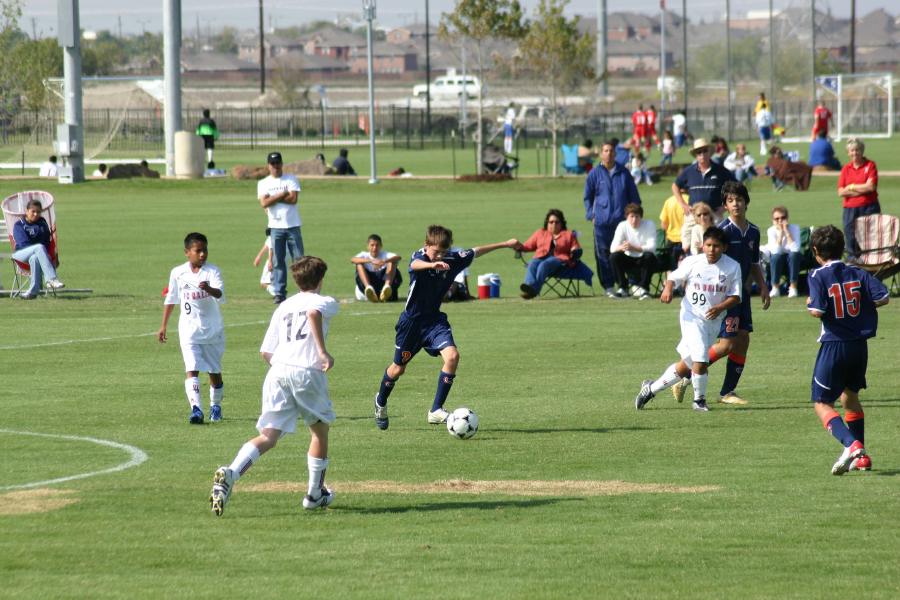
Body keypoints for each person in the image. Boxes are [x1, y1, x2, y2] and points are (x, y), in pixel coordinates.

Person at [208, 256, 339, 516]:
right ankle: (314, 495)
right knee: (319, 432)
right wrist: (322, 353)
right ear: (321, 279)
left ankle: (231, 474)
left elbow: (265, 352)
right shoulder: (324, 302)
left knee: (268, 436)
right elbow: (313, 314)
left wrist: (286, 371)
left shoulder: (283, 306)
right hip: (306, 371)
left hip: (278, 371)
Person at [371, 225, 518, 430]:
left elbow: (476, 251)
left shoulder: (452, 259)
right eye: (435, 251)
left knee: (452, 357)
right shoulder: (420, 257)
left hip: (434, 322)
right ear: (426, 245)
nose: (439, 255)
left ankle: (436, 410)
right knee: (398, 369)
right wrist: (433, 265)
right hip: (411, 324)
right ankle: (380, 402)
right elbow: (415, 265)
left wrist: (505, 244)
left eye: (443, 252)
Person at [675, 181, 770, 406]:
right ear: (725, 205)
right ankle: (684, 374)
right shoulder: (723, 232)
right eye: (730, 200)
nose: (735, 204)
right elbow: (703, 262)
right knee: (727, 344)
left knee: (743, 339)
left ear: (746, 202)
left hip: (742, 295)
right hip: (723, 298)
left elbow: (754, 262)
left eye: (739, 199)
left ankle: (728, 391)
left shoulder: (754, 231)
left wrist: (763, 286)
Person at [806, 226, 888, 475]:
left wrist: (811, 305)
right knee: (849, 397)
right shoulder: (857, 272)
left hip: (834, 344)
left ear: (816, 251)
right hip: (858, 347)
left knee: (821, 402)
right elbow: (883, 297)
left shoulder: (817, 274)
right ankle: (861, 457)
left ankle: (851, 444)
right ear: (842, 248)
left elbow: (818, 310)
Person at [634, 227, 742, 412]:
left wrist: (720, 307)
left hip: (713, 321)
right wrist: (668, 289)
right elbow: (673, 277)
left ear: (724, 247)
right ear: (702, 245)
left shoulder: (732, 266)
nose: (711, 249)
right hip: (691, 317)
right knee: (701, 360)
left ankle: (651, 388)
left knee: (688, 365)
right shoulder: (693, 262)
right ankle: (699, 401)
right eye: (708, 245)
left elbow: (736, 296)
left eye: (716, 246)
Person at [158, 232, 226, 425]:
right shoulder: (178, 273)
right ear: (187, 252)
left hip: (212, 329)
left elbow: (220, 294)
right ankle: (196, 409)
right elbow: (171, 299)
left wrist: (209, 289)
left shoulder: (212, 272)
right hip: (188, 329)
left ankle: (216, 405)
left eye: (205, 250)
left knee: (214, 371)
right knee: (192, 368)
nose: (203, 254)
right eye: (198, 251)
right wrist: (163, 325)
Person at [583, 139, 642, 297]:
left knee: (625, 253)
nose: (608, 154)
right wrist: (591, 214)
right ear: (601, 153)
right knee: (603, 254)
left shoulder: (624, 173)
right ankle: (609, 287)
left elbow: (634, 197)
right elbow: (587, 197)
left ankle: (629, 285)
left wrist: (635, 216)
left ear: (615, 153)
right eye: (606, 151)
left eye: (611, 151)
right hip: (601, 224)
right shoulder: (594, 174)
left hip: (622, 223)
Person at [258, 151, 303, 304]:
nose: (275, 166)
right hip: (275, 226)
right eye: (273, 164)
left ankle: (303, 289)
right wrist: (282, 194)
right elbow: (264, 203)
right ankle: (279, 292)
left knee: (299, 260)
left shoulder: (291, 179)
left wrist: (273, 198)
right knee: (278, 261)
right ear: (268, 166)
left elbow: (293, 199)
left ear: (281, 164)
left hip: (292, 225)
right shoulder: (263, 183)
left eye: (278, 163)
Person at [518, 209, 586, 299]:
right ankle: (530, 286)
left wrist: (575, 251)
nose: (554, 224)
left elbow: (576, 248)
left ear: (561, 223)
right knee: (533, 263)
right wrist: (517, 246)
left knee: (544, 265)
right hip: (540, 257)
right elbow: (527, 246)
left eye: (557, 222)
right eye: (551, 222)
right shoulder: (540, 233)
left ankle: (534, 290)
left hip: (559, 260)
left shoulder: (568, 234)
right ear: (547, 223)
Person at [11, 198, 65, 299]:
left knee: (35, 257)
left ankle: (33, 292)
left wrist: (53, 255)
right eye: (33, 211)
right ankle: (51, 279)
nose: (36, 214)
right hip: (20, 255)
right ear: (27, 211)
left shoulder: (42, 223)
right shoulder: (19, 225)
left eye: (38, 212)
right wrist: (38, 249)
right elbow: (23, 244)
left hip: (38, 255)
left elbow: (47, 242)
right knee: (39, 248)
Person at [672, 138, 735, 222]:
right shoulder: (689, 171)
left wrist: (725, 206)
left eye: (705, 151)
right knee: (686, 235)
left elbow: (736, 187)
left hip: (714, 215)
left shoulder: (720, 170)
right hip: (693, 216)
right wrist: (683, 205)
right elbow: (675, 186)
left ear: (709, 152)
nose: (702, 154)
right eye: (699, 152)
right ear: (696, 155)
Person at [837, 138, 880, 261]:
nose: (854, 153)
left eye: (857, 150)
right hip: (850, 209)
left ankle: (872, 262)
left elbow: (871, 187)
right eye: (852, 151)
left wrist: (851, 187)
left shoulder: (870, 165)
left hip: (869, 206)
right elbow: (841, 191)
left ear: (862, 151)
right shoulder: (846, 169)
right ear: (848, 153)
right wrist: (862, 188)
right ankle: (854, 263)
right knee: (851, 237)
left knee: (870, 236)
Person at [609, 203, 657, 300]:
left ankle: (644, 289)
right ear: (626, 217)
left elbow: (652, 247)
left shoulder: (649, 224)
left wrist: (634, 248)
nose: (634, 220)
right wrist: (623, 247)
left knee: (649, 256)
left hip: (644, 260)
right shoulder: (622, 226)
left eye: (637, 217)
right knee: (614, 257)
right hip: (629, 259)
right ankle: (623, 288)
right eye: (631, 216)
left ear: (641, 217)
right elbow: (612, 248)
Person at [352, 233, 402, 303]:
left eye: (377, 245)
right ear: (368, 246)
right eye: (372, 245)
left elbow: (398, 257)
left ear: (381, 246)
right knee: (359, 264)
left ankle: (387, 287)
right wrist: (371, 261)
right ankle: (368, 288)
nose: (374, 248)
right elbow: (353, 259)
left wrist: (384, 261)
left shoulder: (386, 255)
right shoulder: (364, 255)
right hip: (369, 283)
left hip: (383, 283)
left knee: (392, 261)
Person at [765, 206, 802, 298]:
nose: (780, 221)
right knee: (776, 256)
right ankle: (775, 288)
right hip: (778, 259)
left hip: (793, 259)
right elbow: (775, 251)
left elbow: (796, 249)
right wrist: (781, 233)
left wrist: (786, 231)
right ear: (773, 220)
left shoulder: (795, 228)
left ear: (787, 218)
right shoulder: (771, 231)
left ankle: (793, 287)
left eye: (783, 218)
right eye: (777, 219)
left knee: (794, 255)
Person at [659, 189, 685, 268]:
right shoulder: (691, 200)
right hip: (687, 241)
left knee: (672, 268)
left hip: (672, 240)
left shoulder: (669, 201)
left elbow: (663, 225)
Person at [253, 228, 275, 296]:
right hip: (280, 259)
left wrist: (270, 261)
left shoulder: (273, 236)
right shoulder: (277, 234)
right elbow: (267, 245)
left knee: (264, 283)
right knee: (275, 281)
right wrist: (259, 256)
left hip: (273, 260)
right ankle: (278, 294)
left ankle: (277, 295)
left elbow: (271, 248)